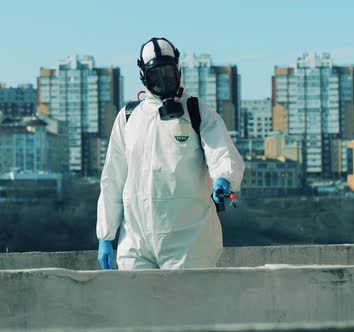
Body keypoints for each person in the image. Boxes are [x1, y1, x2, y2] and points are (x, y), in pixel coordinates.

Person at [96, 37, 244, 270]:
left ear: (178, 71)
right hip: (136, 241)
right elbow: (113, 178)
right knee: (138, 306)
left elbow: (222, 152)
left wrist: (224, 178)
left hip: (190, 242)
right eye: (157, 75)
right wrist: (105, 235)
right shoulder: (128, 117)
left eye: (169, 73)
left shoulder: (197, 111)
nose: (164, 81)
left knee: (189, 306)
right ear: (145, 77)